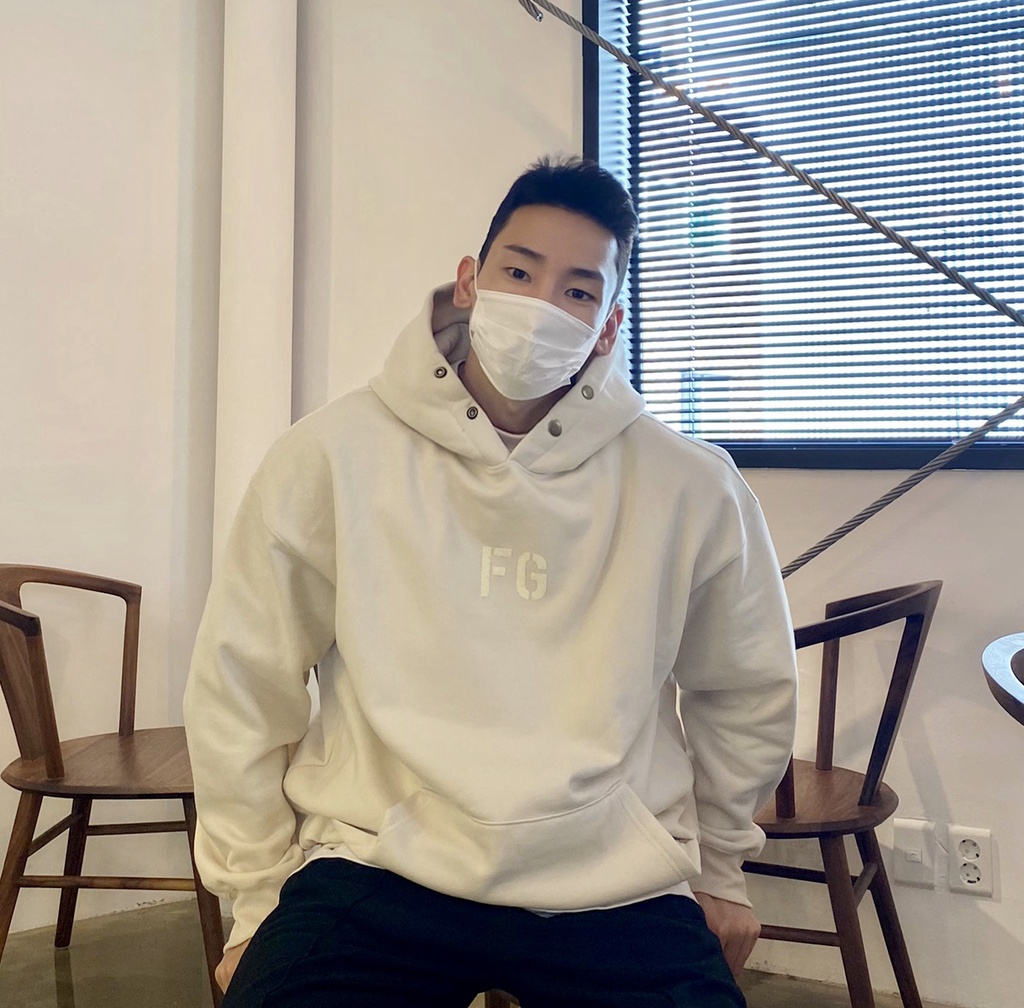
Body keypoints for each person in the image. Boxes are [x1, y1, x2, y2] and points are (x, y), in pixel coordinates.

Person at [184, 156, 798, 1007]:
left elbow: (746, 684)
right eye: (520, 271)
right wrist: (253, 897)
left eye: (578, 291)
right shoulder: (330, 455)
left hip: (614, 879)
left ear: (609, 326)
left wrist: (722, 866)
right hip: (375, 863)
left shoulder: (690, 484)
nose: (542, 305)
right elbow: (242, 683)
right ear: (470, 280)